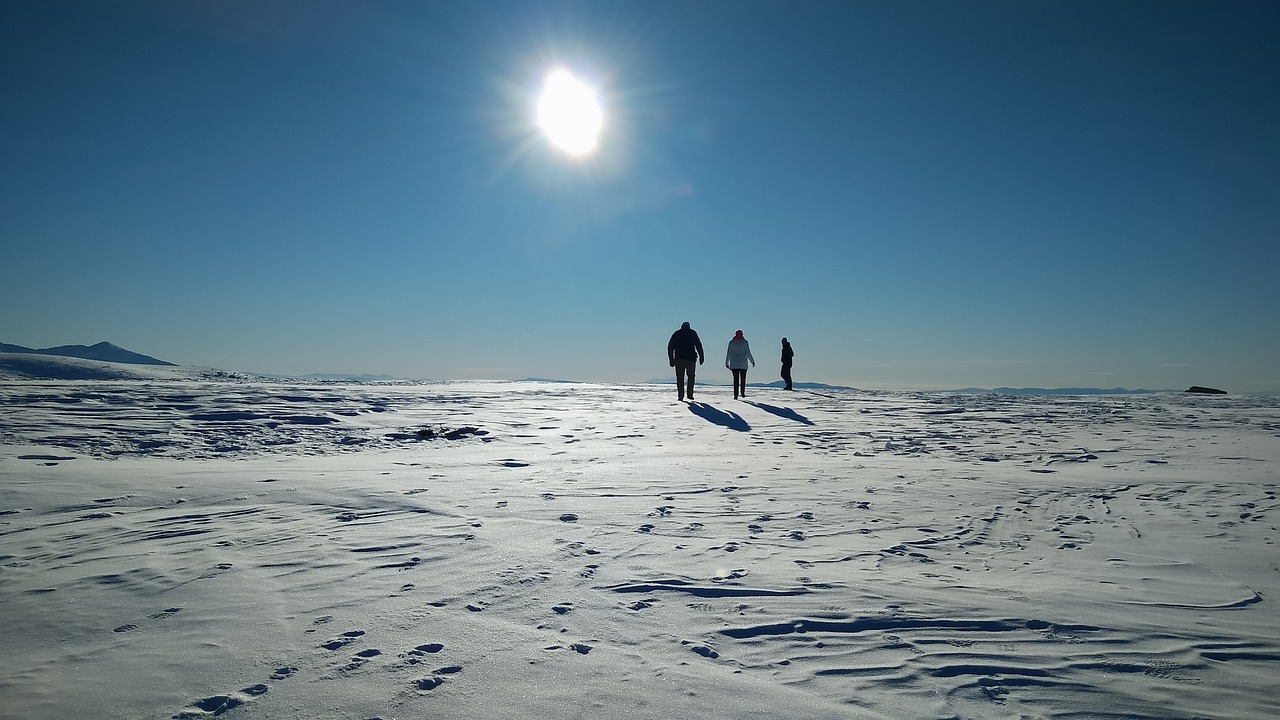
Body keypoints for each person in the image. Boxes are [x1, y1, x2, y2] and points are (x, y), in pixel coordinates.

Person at [667, 321, 705, 401]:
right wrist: (701, 356)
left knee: (680, 378)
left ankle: (681, 396)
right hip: (690, 359)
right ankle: (689, 394)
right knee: (691, 376)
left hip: (679, 359)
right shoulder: (692, 333)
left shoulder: (677, 333)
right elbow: (698, 345)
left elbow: (670, 347)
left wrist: (671, 359)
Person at [725, 329, 755, 399]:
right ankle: (742, 393)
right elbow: (748, 353)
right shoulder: (745, 342)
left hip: (734, 363)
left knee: (735, 379)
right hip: (743, 364)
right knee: (743, 379)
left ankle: (735, 395)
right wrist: (752, 361)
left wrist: (726, 362)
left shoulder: (731, 342)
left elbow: (729, 353)